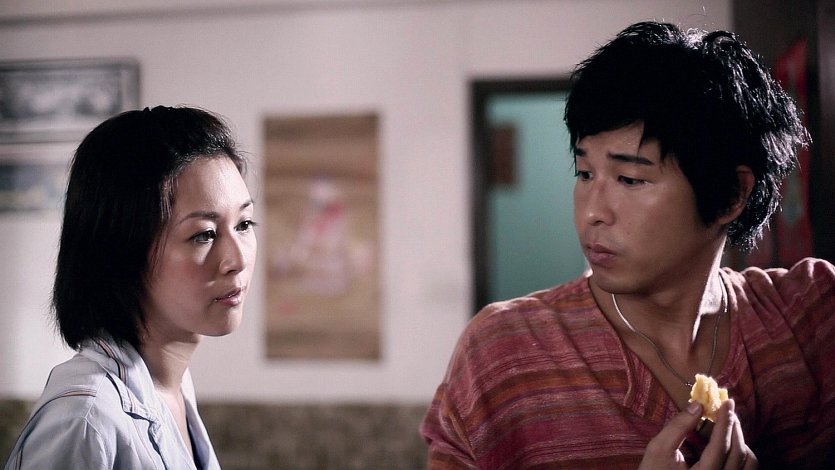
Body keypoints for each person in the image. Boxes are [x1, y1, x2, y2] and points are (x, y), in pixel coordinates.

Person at [421, 21, 834, 468]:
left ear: (732, 194)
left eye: (630, 179)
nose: (592, 212)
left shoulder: (810, 317)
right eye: (584, 173)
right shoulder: (501, 353)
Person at [4, 105, 257, 469]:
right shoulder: (85, 419)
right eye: (204, 234)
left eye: (244, 224)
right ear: (123, 250)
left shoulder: (172, 386)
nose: (237, 259)